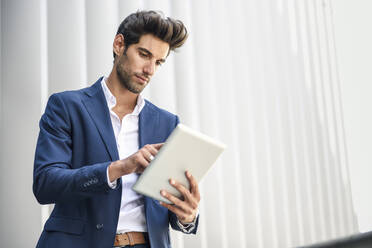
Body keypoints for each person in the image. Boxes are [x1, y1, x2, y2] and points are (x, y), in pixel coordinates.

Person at [33, 10, 200, 248]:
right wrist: (120, 168)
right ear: (119, 44)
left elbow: (170, 204)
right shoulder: (67, 106)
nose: (150, 70)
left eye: (158, 62)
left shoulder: (167, 123)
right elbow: (45, 183)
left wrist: (187, 216)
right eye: (144, 54)